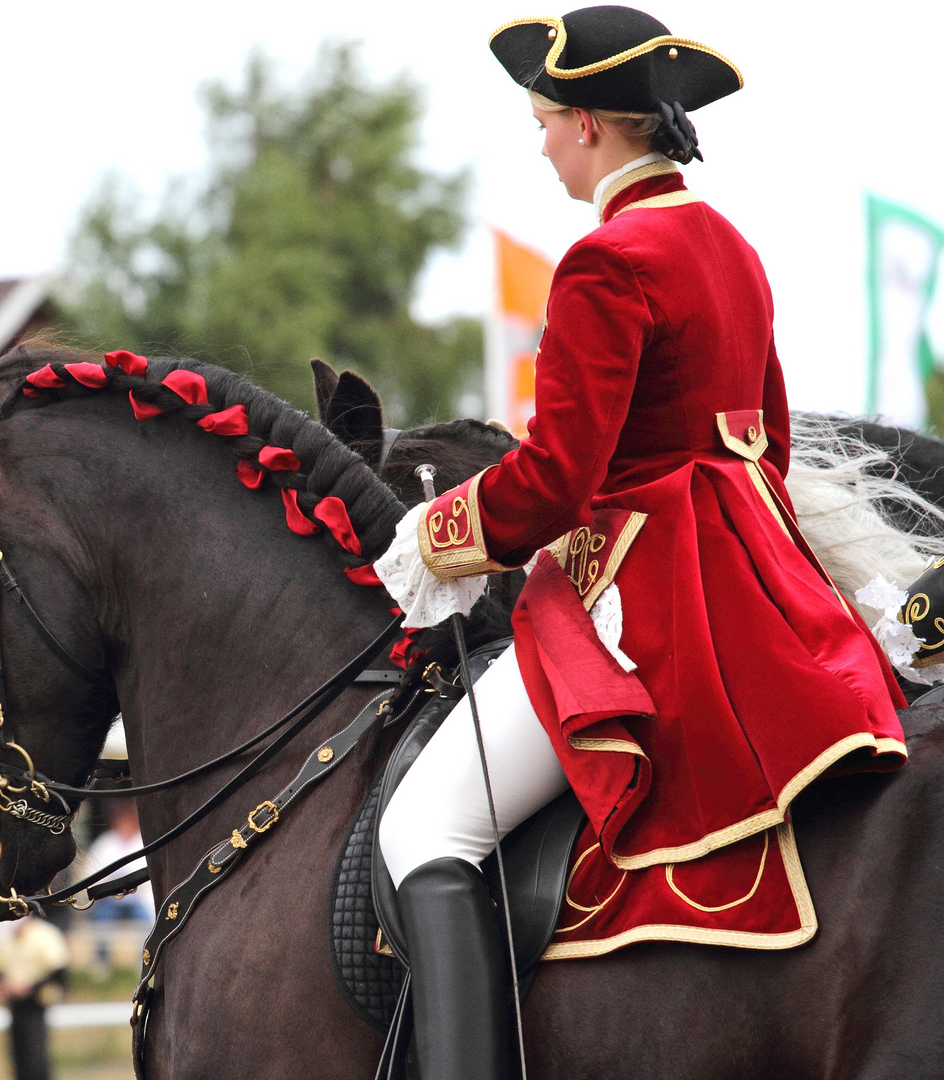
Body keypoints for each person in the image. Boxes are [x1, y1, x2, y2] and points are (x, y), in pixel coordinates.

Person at [373, 8, 908, 1079]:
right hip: (758, 575)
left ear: (585, 125)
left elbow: (555, 482)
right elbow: (770, 440)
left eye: (541, 124)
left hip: (639, 596)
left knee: (424, 830)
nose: (538, 148)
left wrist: (434, 536)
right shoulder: (734, 250)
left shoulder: (605, 264)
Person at [0, 917, 71, 1080]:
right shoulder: (8, 939)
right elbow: (0, 968)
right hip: (15, 1002)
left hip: (37, 1002)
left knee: (35, 1055)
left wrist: (31, 987)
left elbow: (59, 972)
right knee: (18, 1054)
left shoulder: (44, 935)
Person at [84, 802, 154, 973]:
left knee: (148, 921)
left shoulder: (143, 842)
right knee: (101, 918)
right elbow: (90, 872)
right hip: (110, 900)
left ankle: (145, 961)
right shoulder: (105, 844)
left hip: (137, 899)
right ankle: (101, 965)